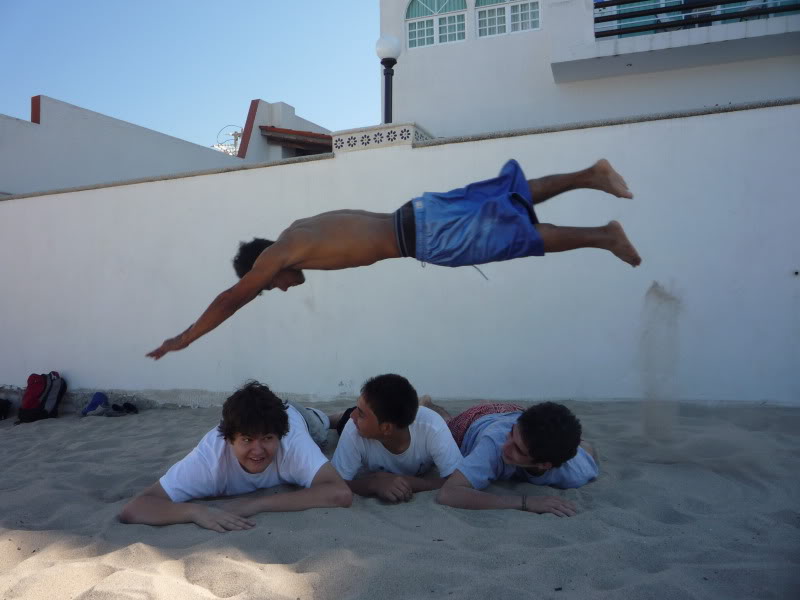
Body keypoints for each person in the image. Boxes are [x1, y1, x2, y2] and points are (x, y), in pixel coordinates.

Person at [147, 159, 640, 359]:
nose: (279, 287)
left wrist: (183, 338)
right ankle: (590, 177)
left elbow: (233, 299)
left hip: (422, 238)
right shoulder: (300, 230)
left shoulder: (279, 254)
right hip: (417, 213)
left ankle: (602, 236)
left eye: (270, 282)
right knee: (501, 197)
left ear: (263, 266)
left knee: (510, 237)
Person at [118, 381, 352, 532]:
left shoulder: (292, 441)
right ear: (229, 439)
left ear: (280, 436)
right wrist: (194, 511)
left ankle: (332, 416)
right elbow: (135, 508)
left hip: (298, 417)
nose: (258, 450)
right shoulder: (208, 460)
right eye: (247, 440)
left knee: (323, 427)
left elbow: (339, 493)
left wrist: (257, 504)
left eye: (268, 439)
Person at [427, 399, 599, 517]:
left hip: (511, 418)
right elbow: (448, 493)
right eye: (511, 435)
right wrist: (526, 502)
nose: (506, 446)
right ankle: (427, 403)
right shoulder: (495, 442)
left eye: (518, 449)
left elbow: (588, 449)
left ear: (545, 464)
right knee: (444, 423)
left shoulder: (575, 472)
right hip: (475, 422)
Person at [329, 374, 462, 503]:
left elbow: (457, 480)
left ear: (386, 428)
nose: (354, 415)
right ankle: (333, 417)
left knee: (447, 420)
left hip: (412, 418)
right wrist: (373, 483)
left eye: (361, 414)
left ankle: (426, 402)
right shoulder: (353, 427)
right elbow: (335, 483)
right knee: (342, 419)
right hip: (374, 422)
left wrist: (412, 483)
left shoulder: (432, 427)